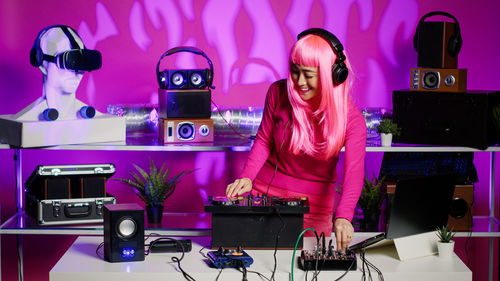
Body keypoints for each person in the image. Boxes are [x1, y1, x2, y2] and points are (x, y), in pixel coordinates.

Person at [226, 28, 366, 252]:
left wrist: (344, 217)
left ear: (333, 75)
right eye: (294, 71)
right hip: (264, 197)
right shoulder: (277, 93)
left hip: (314, 209)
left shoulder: (352, 120)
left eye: (308, 75)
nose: (299, 82)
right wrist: (247, 177)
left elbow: (354, 174)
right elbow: (263, 140)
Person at [15, 25, 101, 121]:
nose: (77, 73)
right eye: (69, 61)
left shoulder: (96, 117)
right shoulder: (25, 120)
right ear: (43, 65)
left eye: (81, 62)